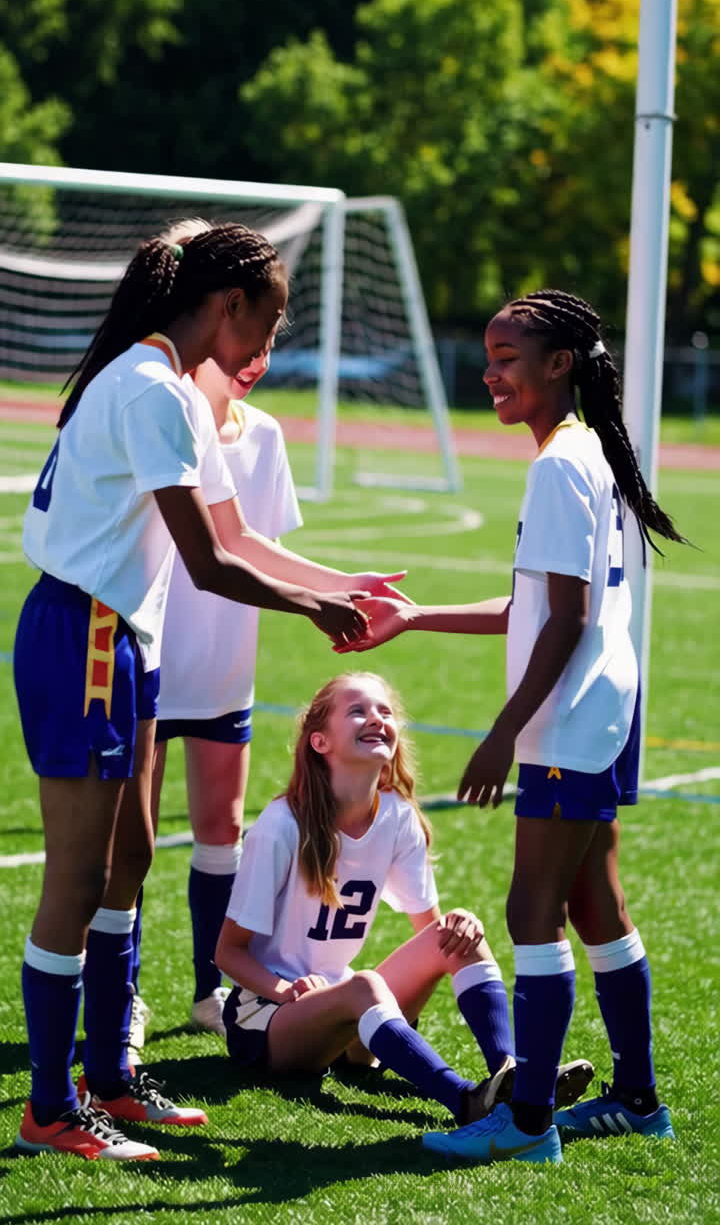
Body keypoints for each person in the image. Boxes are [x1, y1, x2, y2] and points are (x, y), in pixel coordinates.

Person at [12, 221, 395, 1161]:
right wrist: (317, 605)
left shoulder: (162, 384)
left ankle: (109, 1075)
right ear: (226, 307)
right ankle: (52, 1106)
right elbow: (209, 557)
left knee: (131, 858)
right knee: (78, 878)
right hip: (88, 636)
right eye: (266, 323)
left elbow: (216, 543)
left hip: (122, 639)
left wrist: (331, 588)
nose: (268, 347)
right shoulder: (151, 387)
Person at [339, 290, 682, 1164]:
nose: (491, 372)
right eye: (488, 356)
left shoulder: (560, 465)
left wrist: (501, 733)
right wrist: (415, 619)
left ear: (560, 365)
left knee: (533, 911)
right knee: (592, 902)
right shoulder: (583, 452)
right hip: (603, 708)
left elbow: (561, 623)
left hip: (570, 717)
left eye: (508, 357)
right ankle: (638, 1098)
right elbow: (534, 608)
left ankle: (527, 1124)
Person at [215, 671, 593, 1126]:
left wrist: (457, 925)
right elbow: (228, 953)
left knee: (457, 933)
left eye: (384, 711)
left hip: (341, 1007)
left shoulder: (397, 816)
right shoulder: (281, 826)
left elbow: (433, 937)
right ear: (320, 742)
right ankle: (466, 1101)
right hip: (267, 1018)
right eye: (357, 710)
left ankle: (511, 1074)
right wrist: (287, 989)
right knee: (366, 985)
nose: (375, 718)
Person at [136, 345, 303, 1048]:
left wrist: (337, 586)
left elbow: (253, 545)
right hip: (143, 655)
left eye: (267, 346)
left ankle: (212, 988)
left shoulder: (264, 435)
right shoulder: (157, 418)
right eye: (243, 344)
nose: (255, 359)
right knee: (129, 842)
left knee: (220, 832)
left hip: (225, 668)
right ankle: (128, 990)